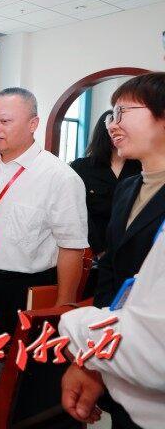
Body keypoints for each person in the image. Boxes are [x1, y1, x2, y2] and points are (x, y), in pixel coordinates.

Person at [0, 87, 88, 366]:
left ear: (33, 124)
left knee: (11, 368)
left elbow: (71, 246)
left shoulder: (60, 178)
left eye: (5, 121)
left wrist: (63, 306)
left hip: (19, 291)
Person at [59, 220, 165, 429]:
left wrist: (76, 331)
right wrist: (94, 364)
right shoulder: (126, 197)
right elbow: (113, 273)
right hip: (123, 370)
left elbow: (154, 347)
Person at [93, 74, 165, 309]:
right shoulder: (127, 187)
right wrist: (105, 318)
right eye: (112, 116)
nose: (112, 125)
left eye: (121, 112)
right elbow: (110, 264)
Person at [70, 110, 141, 297]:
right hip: (91, 253)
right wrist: (100, 250)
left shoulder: (140, 167)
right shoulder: (82, 167)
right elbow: (80, 213)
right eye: (112, 128)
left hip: (131, 252)